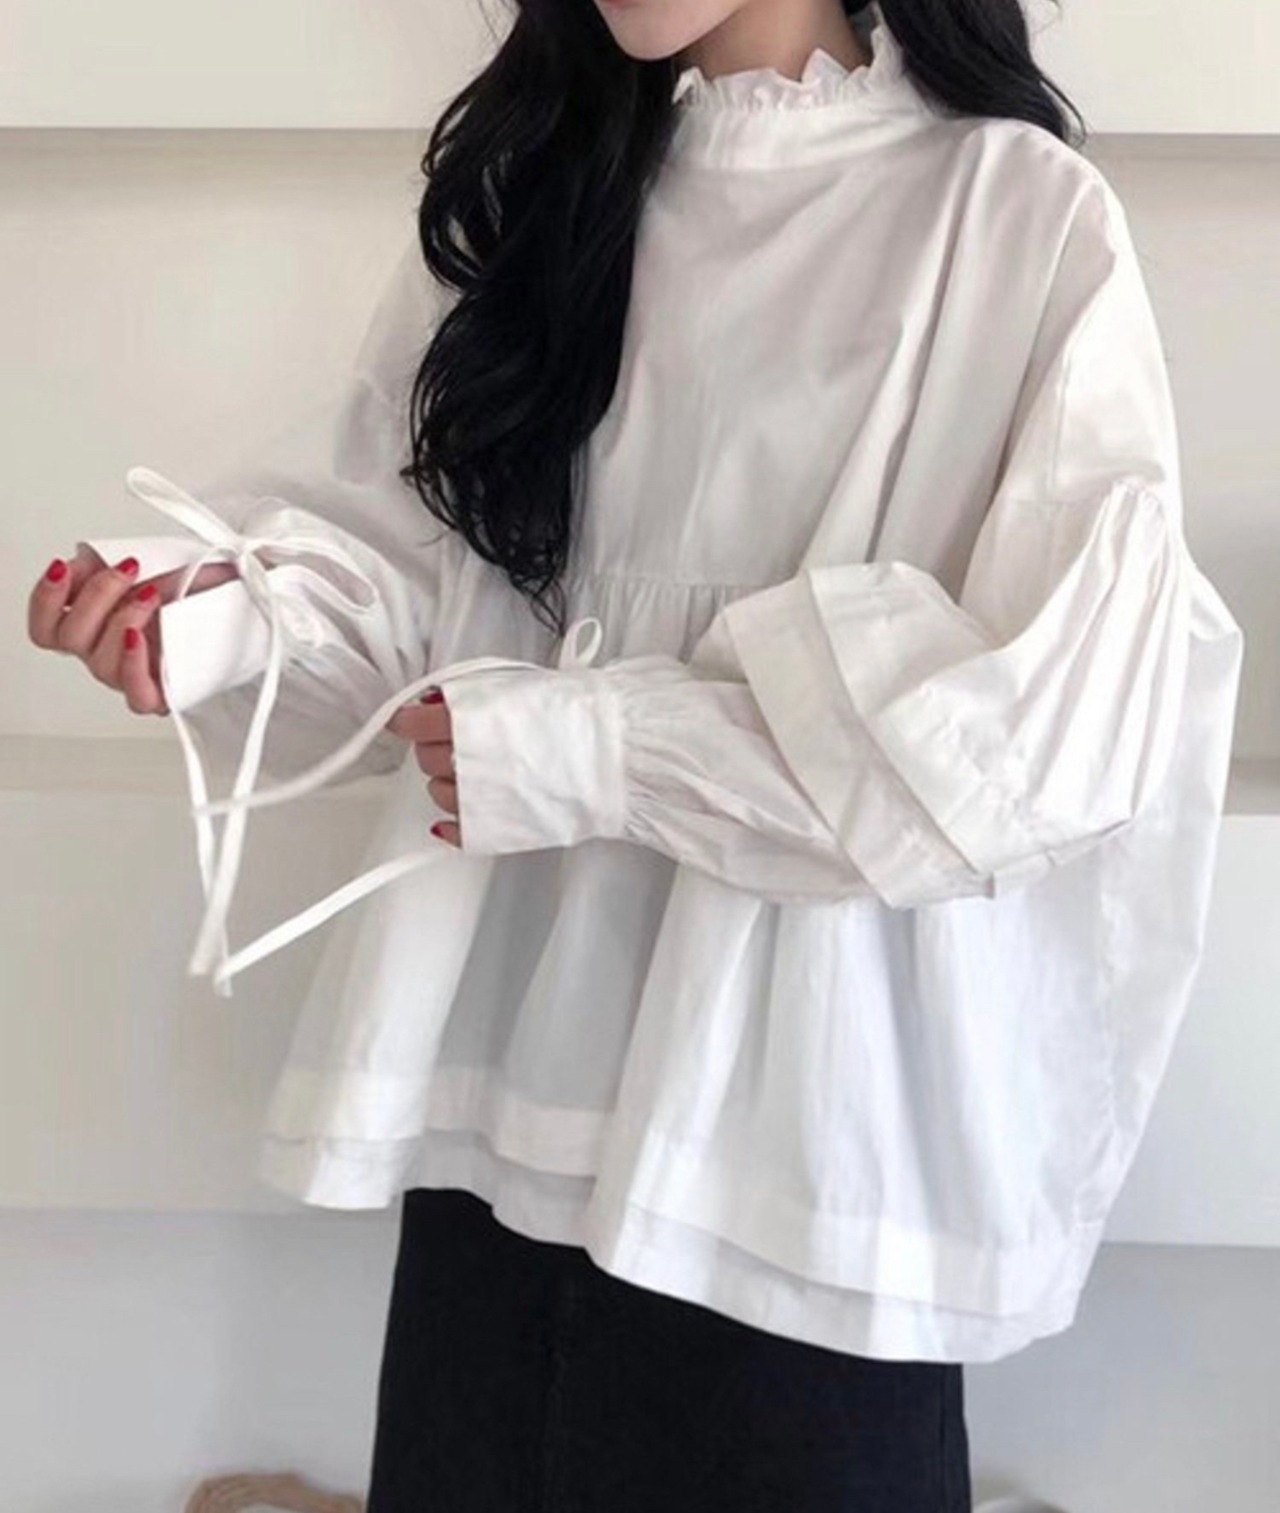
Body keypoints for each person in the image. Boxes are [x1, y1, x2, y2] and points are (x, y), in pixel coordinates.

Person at [27, 0, 1243, 1507]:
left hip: (796, 1187)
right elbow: (414, 577)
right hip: (504, 1134)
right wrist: (222, 618)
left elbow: (1038, 726)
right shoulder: (539, 195)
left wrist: (600, 748)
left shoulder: (1012, 217)